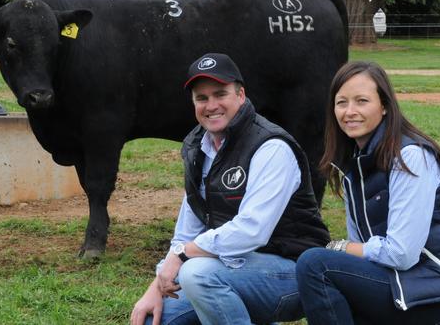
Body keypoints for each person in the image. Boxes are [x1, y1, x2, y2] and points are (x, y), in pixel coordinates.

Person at [130, 53, 330, 325]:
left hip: (296, 272)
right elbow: (186, 232)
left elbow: (252, 230)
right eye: (201, 98)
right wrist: (155, 289)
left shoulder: (271, 147)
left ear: (241, 95)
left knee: (197, 274)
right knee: (160, 318)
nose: (211, 105)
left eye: (220, 94)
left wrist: (183, 255)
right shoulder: (196, 148)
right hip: (233, 268)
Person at [295, 61, 440, 324]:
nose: (350, 111)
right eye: (341, 103)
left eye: (362, 101)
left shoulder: (410, 157)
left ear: (384, 106)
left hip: (437, 291)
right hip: (399, 282)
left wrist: (341, 248)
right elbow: (362, 246)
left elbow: (402, 253)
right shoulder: (353, 163)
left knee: (315, 265)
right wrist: (349, 251)